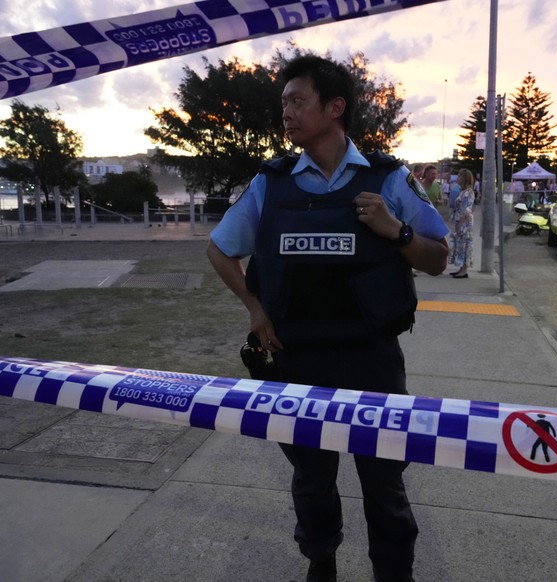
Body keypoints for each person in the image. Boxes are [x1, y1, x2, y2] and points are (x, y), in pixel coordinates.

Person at [206, 55, 449, 582]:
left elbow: (439, 258)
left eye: (298, 100)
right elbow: (220, 249)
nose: (286, 113)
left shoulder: (388, 179)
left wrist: (396, 231)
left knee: (383, 480)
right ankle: (322, 561)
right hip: (297, 358)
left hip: (371, 360)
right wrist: (255, 310)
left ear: (335, 108)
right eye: (284, 103)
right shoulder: (271, 184)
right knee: (312, 479)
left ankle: (393, 570)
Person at [449, 168, 475, 279]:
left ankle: (464, 270)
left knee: (464, 245)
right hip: (460, 220)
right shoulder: (463, 191)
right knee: (460, 246)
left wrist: (460, 224)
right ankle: (461, 268)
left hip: (464, 223)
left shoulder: (468, 192)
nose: (457, 178)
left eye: (460, 176)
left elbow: (466, 210)